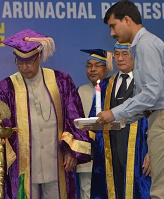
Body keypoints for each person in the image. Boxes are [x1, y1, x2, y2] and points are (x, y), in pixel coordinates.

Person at [0, 29, 91, 199]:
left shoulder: (61, 81)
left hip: (56, 161)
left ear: (39, 57)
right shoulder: (5, 88)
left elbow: (74, 117)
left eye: (29, 62)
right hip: (23, 164)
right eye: (19, 62)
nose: (24, 67)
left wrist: (71, 150)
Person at [98, 1, 164, 197]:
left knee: (160, 191)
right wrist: (121, 120)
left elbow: (152, 94)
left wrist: (114, 112)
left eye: (113, 26)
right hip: (156, 117)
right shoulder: (145, 44)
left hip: (160, 120)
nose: (111, 33)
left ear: (127, 20)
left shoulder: (145, 45)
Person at [90, 42, 151, 199]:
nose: (120, 58)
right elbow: (93, 120)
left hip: (140, 152)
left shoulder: (149, 85)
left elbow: (159, 121)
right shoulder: (104, 85)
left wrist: (153, 152)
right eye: (116, 54)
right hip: (109, 154)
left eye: (125, 54)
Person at [76, 49, 113, 199]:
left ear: (108, 68)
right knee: (87, 192)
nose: (92, 69)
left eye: (98, 65)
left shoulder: (113, 89)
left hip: (110, 153)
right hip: (88, 157)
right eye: (89, 65)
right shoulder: (80, 91)